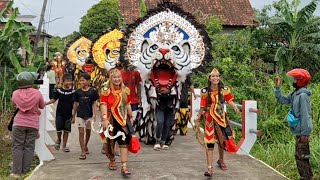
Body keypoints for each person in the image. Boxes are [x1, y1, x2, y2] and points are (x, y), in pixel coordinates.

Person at [195, 68, 240, 177]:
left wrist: (235, 107)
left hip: (221, 118)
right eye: (213, 76)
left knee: (221, 140)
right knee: (209, 143)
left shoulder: (224, 89)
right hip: (209, 119)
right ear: (209, 78)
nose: (216, 78)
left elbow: (229, 100)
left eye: (217, 76)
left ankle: (221, 160)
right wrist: (197, 119)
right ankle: (209, 169)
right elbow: (202, 106)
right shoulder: (205, 91)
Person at [275, 68, 313, 179]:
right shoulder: (295, 94)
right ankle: (307, 177)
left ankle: (306, 178)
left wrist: (305, 134)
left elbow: (306, 116)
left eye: (295, 79)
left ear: (301, 80)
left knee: (302, 158)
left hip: (302, 133)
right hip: (299, 132)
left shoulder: (302, 96)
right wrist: (278, 87)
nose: (293, 81)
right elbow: (282, 100)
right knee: (301, 157)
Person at [10, 72, 45, 178]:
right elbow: (42, 106)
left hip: (19, 123)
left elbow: (14, 104)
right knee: (29, 147)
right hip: (32, 124)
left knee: (17, 146)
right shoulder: (37, 93)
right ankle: (26, 171)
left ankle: (16, 172)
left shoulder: (15, 93)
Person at [100, 68, 134, 175]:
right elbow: (103, 104)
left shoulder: (126, 90)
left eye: (118, 77)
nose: (117, 79)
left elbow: (128, 104)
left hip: (122, 118)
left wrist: (131, 116)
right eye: (114, 77)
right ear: (111, 78)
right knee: (109, 143)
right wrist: (105, 118)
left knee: (124, 141)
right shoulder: (106, 89)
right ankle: (112, 160)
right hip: (110, 118)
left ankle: (124, 166)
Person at [72, 73, 99, 160]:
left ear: (88, 81)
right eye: (80, 80)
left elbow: (94, 103)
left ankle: (85, 145)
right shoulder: (77, 92)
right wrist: (73, 115)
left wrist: (95, 114)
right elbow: (75, 104)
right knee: (81, 132)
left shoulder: (93, 91)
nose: (81, 82)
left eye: (83, 80)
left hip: (89, 115)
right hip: (80, 114)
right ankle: (83, 151)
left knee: (88, 132)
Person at [46, 73, 75, 152]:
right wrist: (45, 103)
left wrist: (74, 115)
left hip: (68, 114)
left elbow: (75, 104)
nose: (68, 83)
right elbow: (54, 100)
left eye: (70, 81)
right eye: (67, 81)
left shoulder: (73, 92)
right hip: (59, 114)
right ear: (63, 81)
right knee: (59, 129)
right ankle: (59, 140)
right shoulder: (59, 91)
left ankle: (64, 146)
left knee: (66, 130)